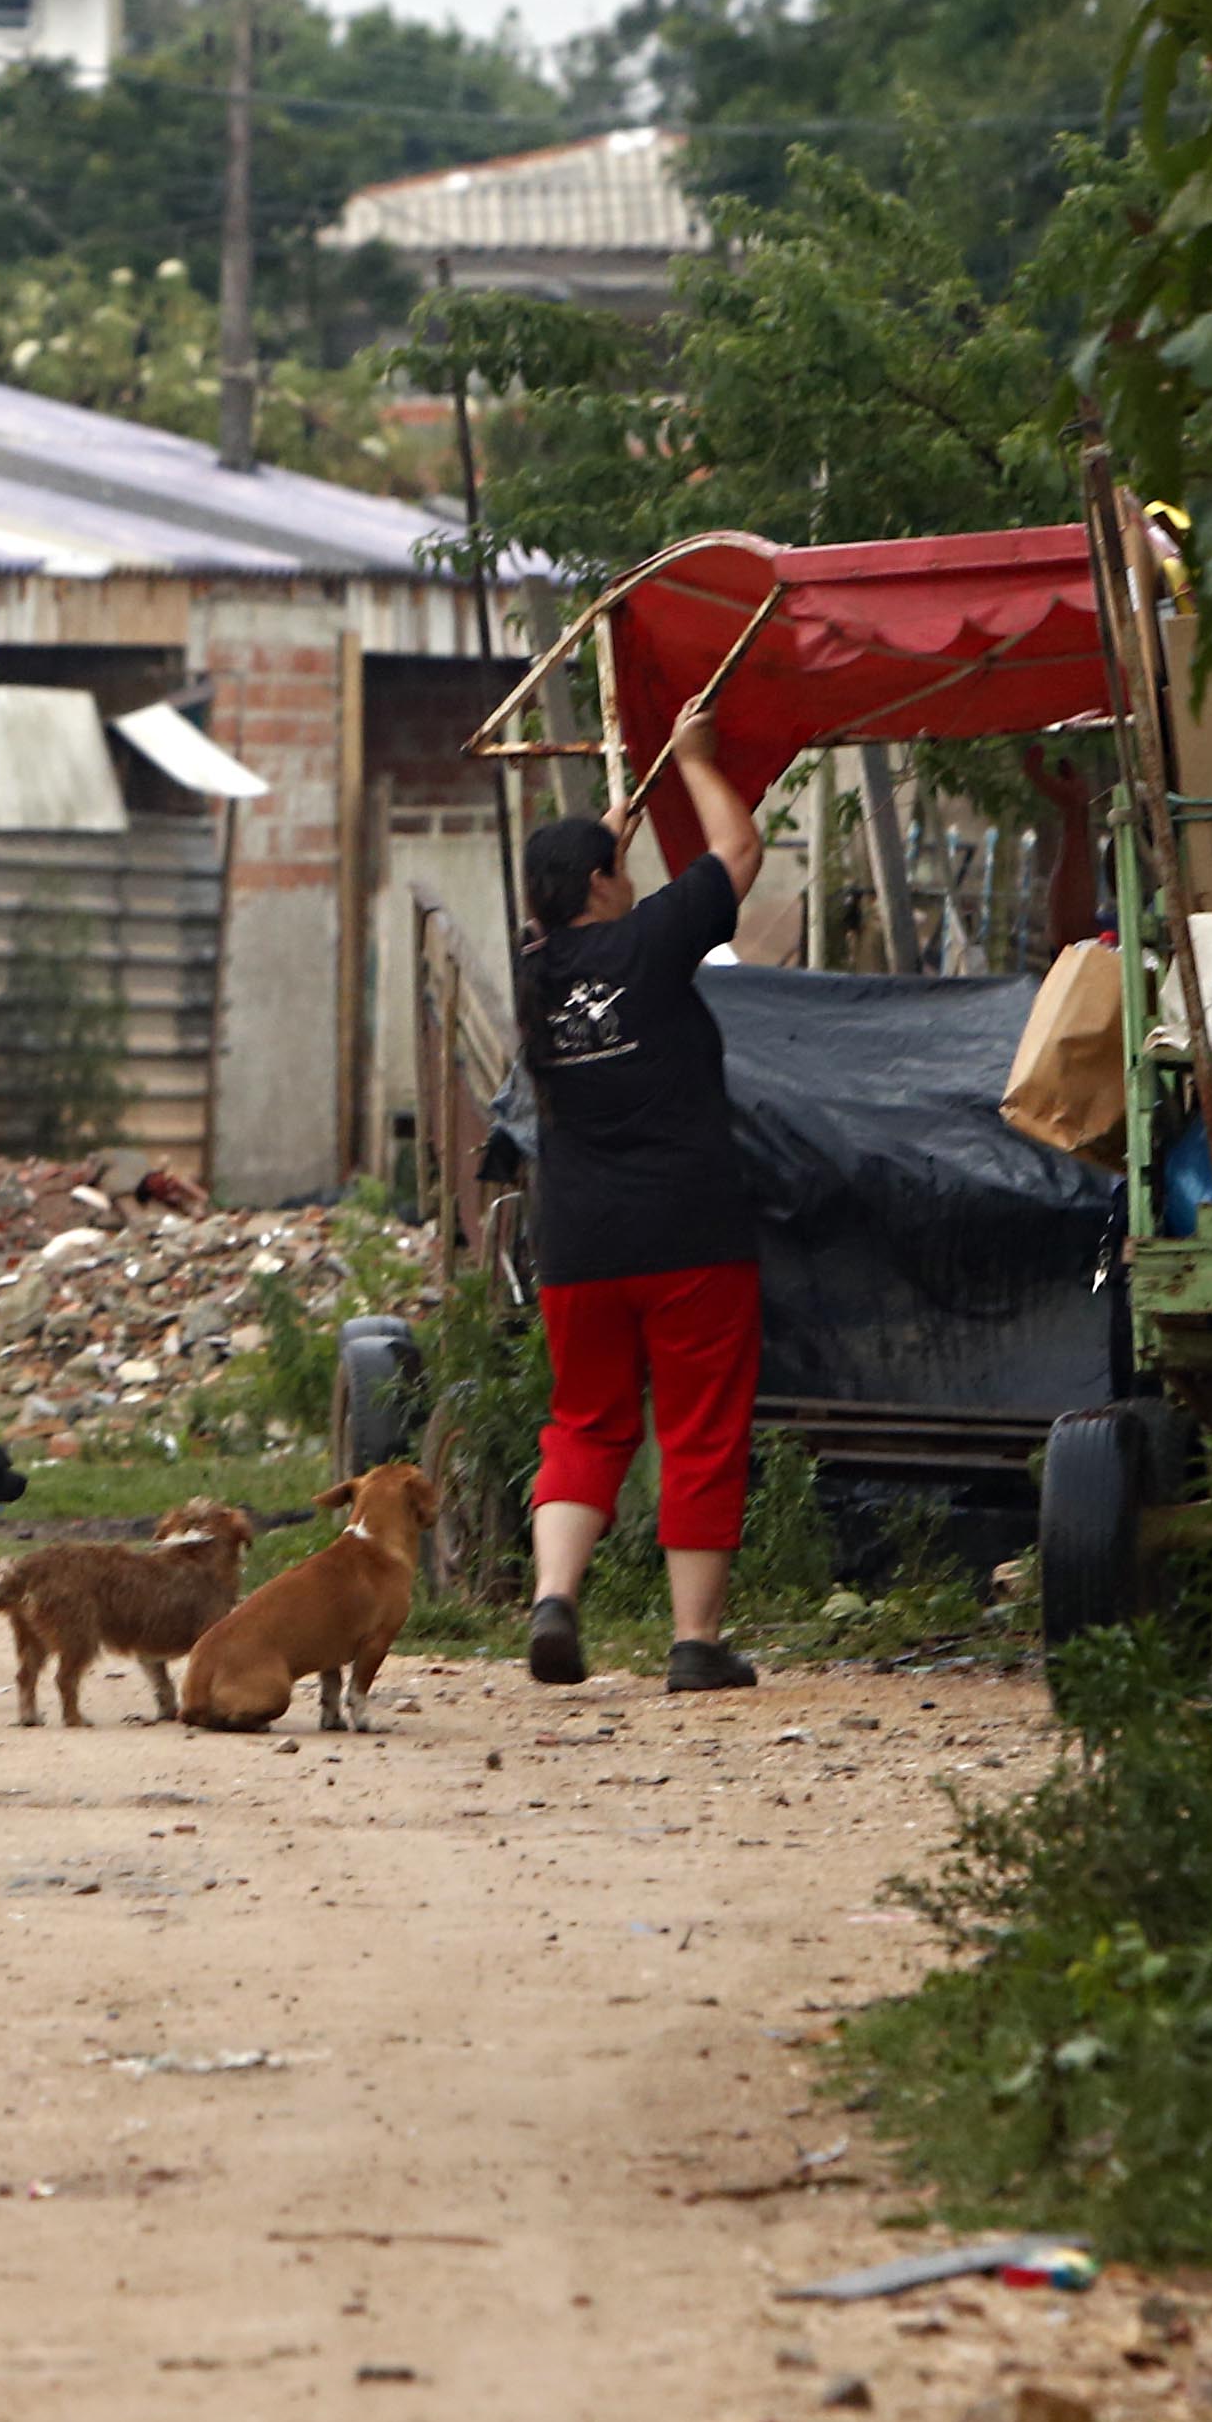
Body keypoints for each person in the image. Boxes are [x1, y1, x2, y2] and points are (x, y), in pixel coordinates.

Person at [512, 696, 770, 1693]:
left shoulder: (536, 970)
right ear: (601, 883)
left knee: (586, 1421)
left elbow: (569, 908)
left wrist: (602, 842)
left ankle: (553, 1600)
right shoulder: (652, 943)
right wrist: (697, 758)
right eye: (617, 866)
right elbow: (738, 850)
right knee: (700, 1424)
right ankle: (696, 1644)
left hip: (579, 1245)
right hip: (691, 1233)